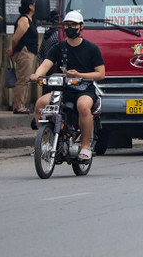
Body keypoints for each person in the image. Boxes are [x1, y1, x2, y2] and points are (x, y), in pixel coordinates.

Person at [29, 11, 106, 160]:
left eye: (73, 25)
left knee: (83, 106)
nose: (70, 28)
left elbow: (100, 74)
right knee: (40, 104)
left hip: (85, 89)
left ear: (81, 27)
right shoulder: (58, 48)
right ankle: (46, 143)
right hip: (64, 88)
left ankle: (85, 146)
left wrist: (80, 75)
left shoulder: (92, 48)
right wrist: (36, 75)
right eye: (67, 25)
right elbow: (45, 64)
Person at [6, 0, 39, 114]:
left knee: (26, 79)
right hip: (25, 52)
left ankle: (22, 104)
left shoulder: (30, 19)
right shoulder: (24, 20)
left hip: (30, 52)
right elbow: (15, 39)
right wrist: (13, 50)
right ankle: (18, 105)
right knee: (23, 79)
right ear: (30, 6)